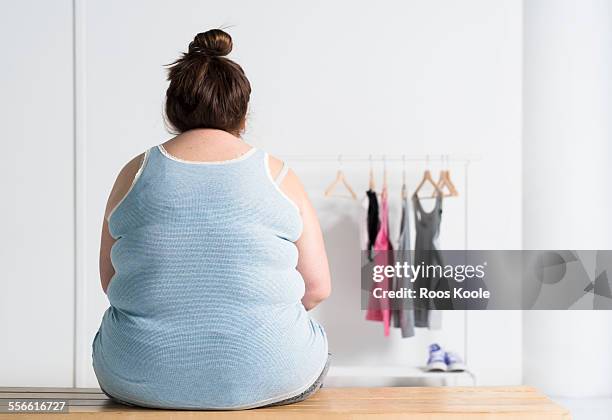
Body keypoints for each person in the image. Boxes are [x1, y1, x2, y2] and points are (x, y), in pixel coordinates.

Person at [92, 29, 331, 410]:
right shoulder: (279, 175)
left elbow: (111, 282)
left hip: (134, 375)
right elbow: (317, 288)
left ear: (172, 111)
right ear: (243, 113)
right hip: (277, 373)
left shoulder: (134, 173)